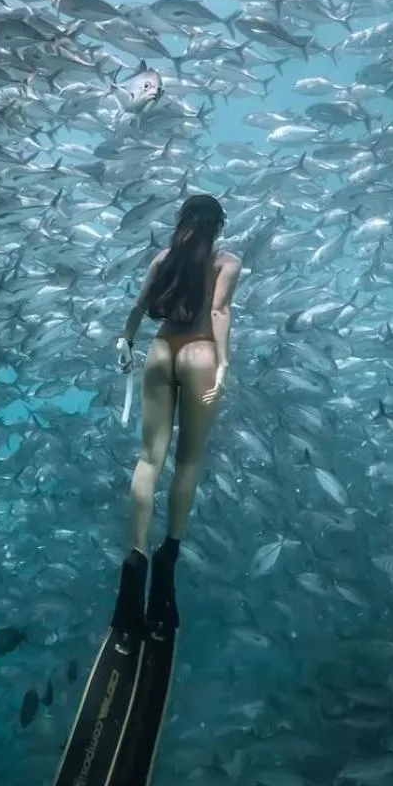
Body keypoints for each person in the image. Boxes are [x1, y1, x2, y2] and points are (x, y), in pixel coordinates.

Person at [112, 194, 241, 635]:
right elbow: (219, 310)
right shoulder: (227, 263)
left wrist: (126, 341)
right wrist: (222, 362)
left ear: (183, 222)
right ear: (218, 227)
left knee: (149, 459)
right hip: (201, 354)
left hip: (161, 351)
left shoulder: (163, 259)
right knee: (187, 461)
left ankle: (135, 562)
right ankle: (166, 573)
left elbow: (137, 307)